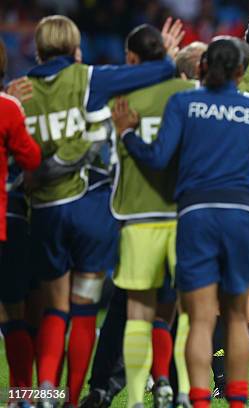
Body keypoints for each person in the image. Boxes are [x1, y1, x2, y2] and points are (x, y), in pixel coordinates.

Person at [20, 15, 183, 406]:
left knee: (52, 309)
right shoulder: (88, 78)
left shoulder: (21, 91)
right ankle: (74, 399)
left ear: (39, 48)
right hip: (92, 209)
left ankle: (42, 390)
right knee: (83, 310)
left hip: (44, 210)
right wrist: (165, 52)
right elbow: (157, 69)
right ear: (75, 48)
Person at [112, 37, 249, 408]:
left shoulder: (183, 103)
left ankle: (199, 400)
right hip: (239, 217)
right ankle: (236, 400)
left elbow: (158, 158)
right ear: (241, 72)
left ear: (201, 68)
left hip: (196, 215)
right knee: (236, 317)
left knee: (200, 320)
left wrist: (127, 134)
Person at [106, 24, 198, 408]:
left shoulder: (120, 98)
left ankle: (136, 400)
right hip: (183, 213)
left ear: (130, 58)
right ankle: (175, 388)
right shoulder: (192, 95)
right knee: (179, 309)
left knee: (138, 312)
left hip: (137, 213)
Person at [0, 38, 42, 400]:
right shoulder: (8, 107)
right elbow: (31, 160)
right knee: (14, 312)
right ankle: (22, 395)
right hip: (5, 222)